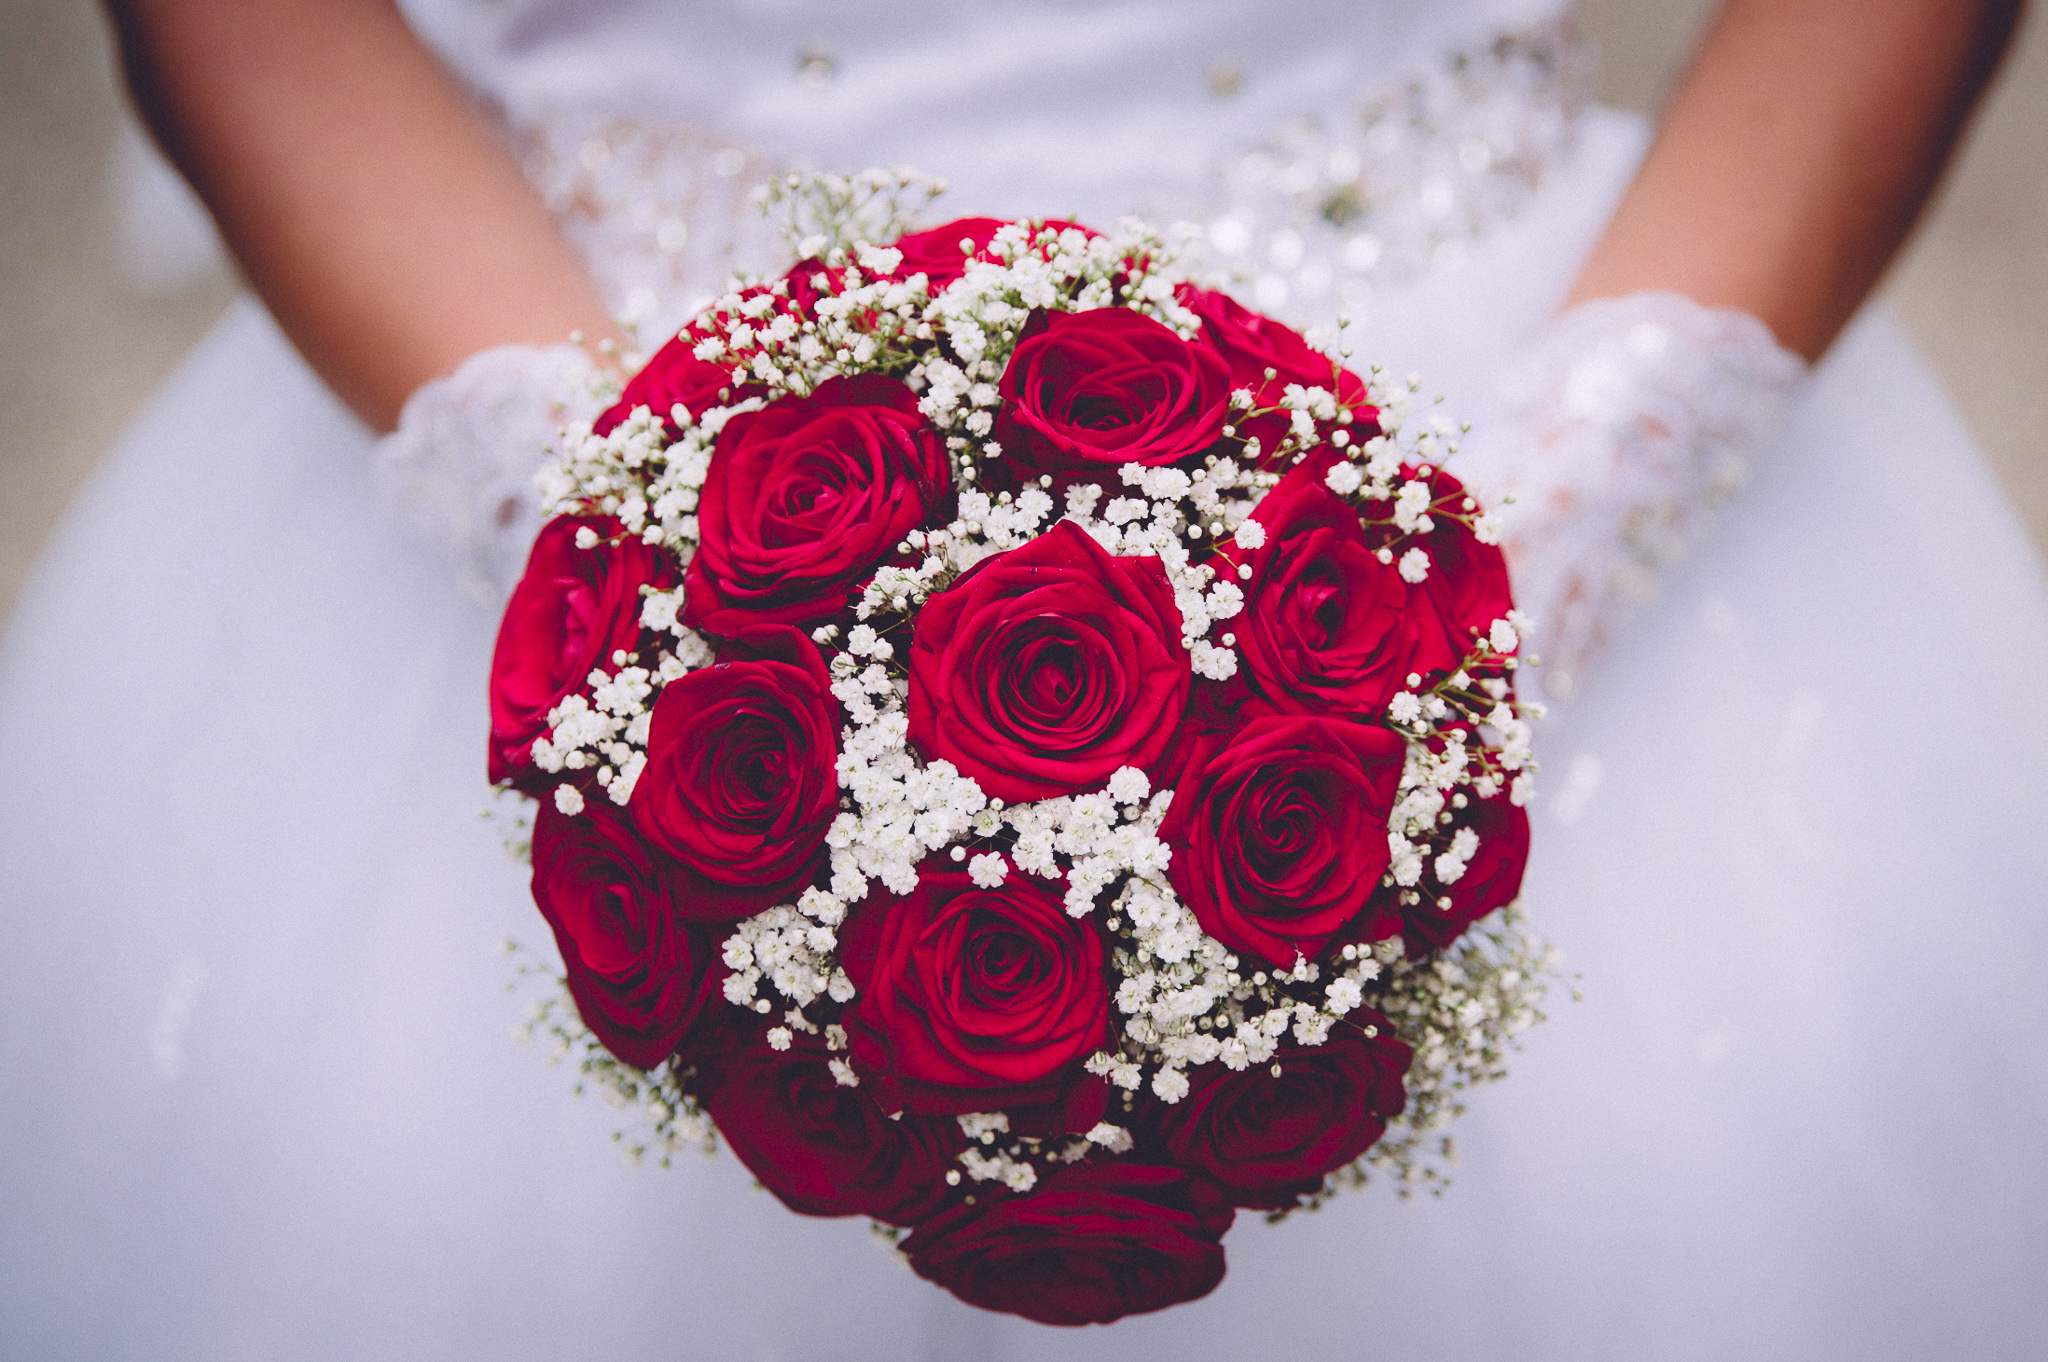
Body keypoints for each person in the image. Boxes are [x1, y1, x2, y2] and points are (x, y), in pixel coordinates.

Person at [2, 0, 2043, 1357]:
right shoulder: (665, 590)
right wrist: (665, 589)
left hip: (1508, 387)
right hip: (532, 342)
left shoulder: (1474, 581)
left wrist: (1508, 569)